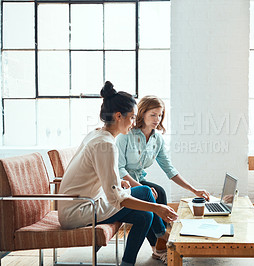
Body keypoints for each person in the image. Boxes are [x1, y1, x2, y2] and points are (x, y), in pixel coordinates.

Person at [58, 82, 178, 266]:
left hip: (85, 203)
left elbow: (100, 175)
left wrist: (120, 182)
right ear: (118, 116)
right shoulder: (105, 145)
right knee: (146, 192)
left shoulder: (98, 135)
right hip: (79, 211)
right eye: (131, 118)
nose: (133, 123)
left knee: (144, 216)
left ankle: (128, 262)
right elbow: (116, 199)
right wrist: (158, 208)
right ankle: (162, 236)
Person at [116, 95, 211, 258]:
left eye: (160, 115)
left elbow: (170, 169)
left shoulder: (157, 139)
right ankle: (159, 243)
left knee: (160, 191)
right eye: (153, 114)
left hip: (138, 180)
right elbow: (119, 169)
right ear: (142, 114)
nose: (157, 119)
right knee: (150, 193)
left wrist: (194, 190)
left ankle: (160, 244)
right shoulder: (126, 134)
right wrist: (141, 188)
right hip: (121, 183)